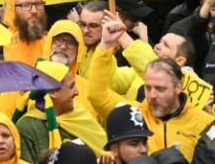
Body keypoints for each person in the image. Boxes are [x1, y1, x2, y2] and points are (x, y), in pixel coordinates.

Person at [87, 20, 215, 161]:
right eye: (147, 87)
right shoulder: (133, 116)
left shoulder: (206, 124)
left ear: (178, 87)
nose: (152, 95)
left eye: (160, 89)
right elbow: (97, 95)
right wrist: (105, 46)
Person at [16, 60, 106, 163]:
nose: (77, 92)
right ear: (53, 92)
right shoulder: (27, 128)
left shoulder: (78, 114)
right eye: (71, 86)